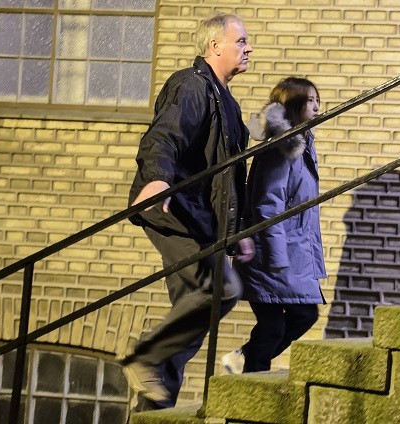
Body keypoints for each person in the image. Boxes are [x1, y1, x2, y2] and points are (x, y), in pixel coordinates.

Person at [120, 12, 255, 411]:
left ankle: (152, 409)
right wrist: (157, 178)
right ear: (215, 45)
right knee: (221, 289)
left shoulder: (227, 102)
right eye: (241, 41)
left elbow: (227, 178)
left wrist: (238, 230)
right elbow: (164, 135)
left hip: (199, 220)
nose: (249, 48)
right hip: (172, 211)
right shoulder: (191, 85)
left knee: (190, 318)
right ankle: (144, 355)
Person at [222, 77, 326, 374]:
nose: (317, 107)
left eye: (318, 100)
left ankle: (244, 360)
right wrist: (277, 257)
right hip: (270, 253)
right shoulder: (282, 147)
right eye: (309, 100)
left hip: (290, 251)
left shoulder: (302, 144)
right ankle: (249, 369)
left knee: (295, 319)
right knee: (279, 324)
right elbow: (268, 205)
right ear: (292, 104)